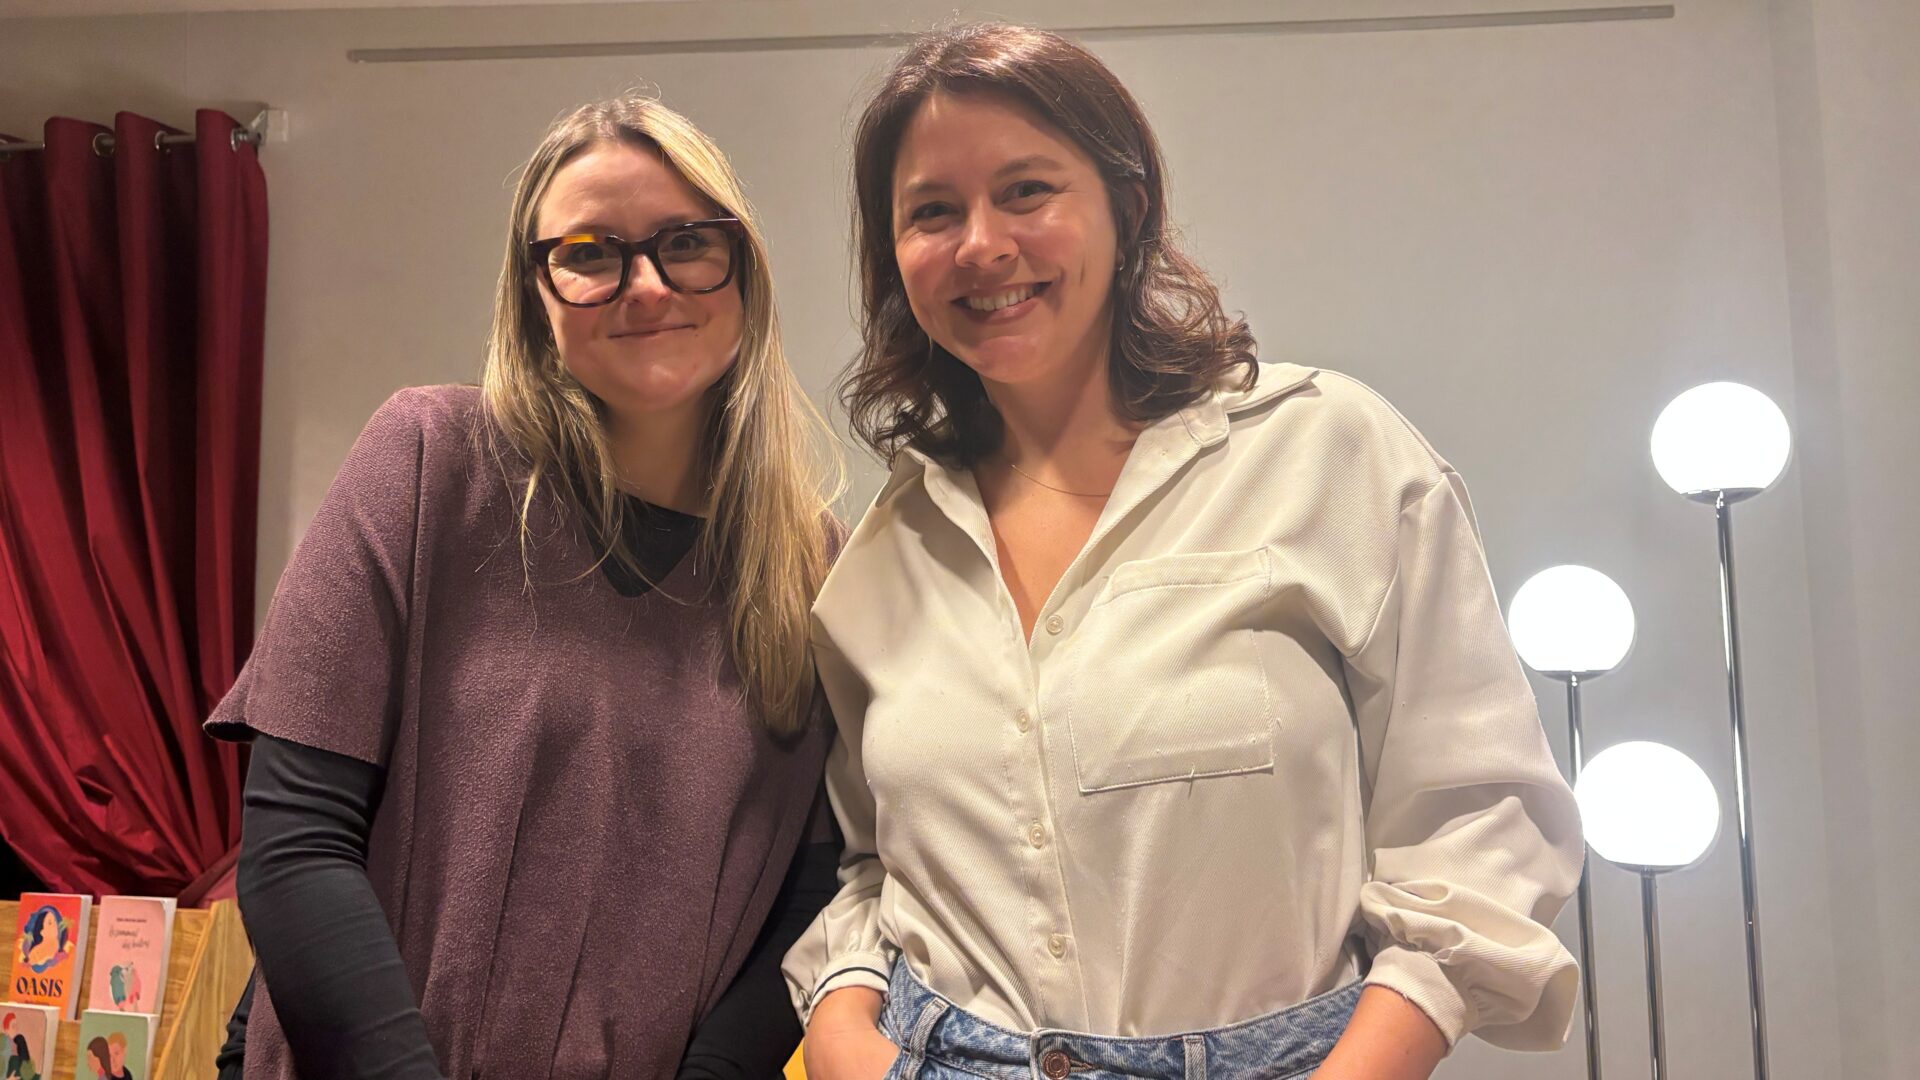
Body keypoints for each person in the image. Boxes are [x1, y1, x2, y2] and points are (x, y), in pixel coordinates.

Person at [786, 23, 1584, 1080]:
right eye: (933, 211)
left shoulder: (1328, 454)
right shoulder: (886, 551)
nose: (980, 243)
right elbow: (880, 862)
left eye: (1026, 190)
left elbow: (1478, 822)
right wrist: (846, 1028)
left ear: (1127, 206)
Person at [206, 94, 843, 1080]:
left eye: (686, 243)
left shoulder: (811, 566)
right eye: (590, 252)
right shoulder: (426, 463)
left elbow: (806, 904)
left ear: (743, 273)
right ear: (536, 295)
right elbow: (296, 846)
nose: (644, 286)